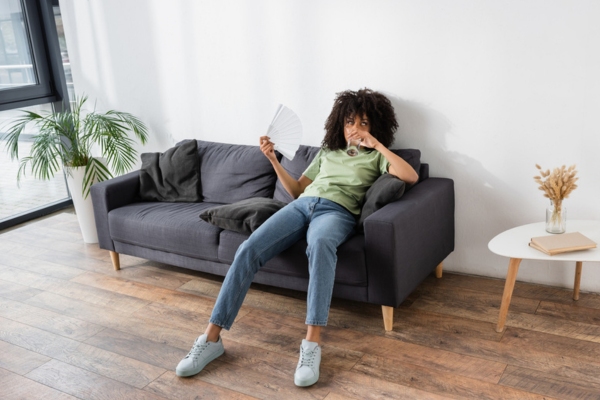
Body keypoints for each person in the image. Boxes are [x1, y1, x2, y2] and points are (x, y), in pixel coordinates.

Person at [175, 88, 419, 386]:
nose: (354, 129)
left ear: (375, 126)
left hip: (337, 212)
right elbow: (296, 191)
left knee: (320, 244)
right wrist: (274, 160)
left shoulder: (377, 158)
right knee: (248, 248)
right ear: (339, 124)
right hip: (302, 205)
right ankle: (211, 339)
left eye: (363, 123)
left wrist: (377, 144)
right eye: (349, 122)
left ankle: (311, 344)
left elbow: (410, 176)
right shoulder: (327, 153)